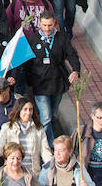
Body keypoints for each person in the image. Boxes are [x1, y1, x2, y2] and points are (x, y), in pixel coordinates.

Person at [25, 11, 80, 146]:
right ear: (39, 24)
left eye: (50, 25)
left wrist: (75, 70)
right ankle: (48, 146)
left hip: (57, 82)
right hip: (40, 83)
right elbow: (27, 63)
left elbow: (72, 54)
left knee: (54, 115)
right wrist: (28, 82)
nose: (47, 28)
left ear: (54, 23)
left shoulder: (62, 38)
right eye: (44, 25)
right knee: (46, 117)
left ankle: (52, 138)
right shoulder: (33, 39)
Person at [0, 98, 52, 177]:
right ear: (19, 110)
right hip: (13, 172)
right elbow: (1, 146)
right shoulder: (7, 127)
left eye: (30, 110)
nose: (28, 113)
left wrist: (51, 164)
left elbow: (45, 150)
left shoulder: (38, 128)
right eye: (25, 109)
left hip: (32, 173)